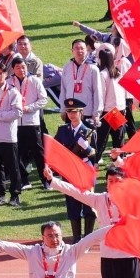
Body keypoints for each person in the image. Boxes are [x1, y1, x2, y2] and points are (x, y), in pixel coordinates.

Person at [53, 99, 98, 240]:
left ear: (81, 113)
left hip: (85, 170)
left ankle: (88, 238)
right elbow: (55, 149)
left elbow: (95, 157)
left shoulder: (89, 131)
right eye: (69, 111)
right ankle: (77, 238)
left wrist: (87, 147)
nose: (71, 114)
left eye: (74, 111)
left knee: (88, 205)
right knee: (72, 204)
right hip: (69, 171)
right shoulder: (62, 130)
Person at [10, 55, 48, 191]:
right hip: (14, 123)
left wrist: (30, 108)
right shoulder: (9, 82)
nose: (21, 70)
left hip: (32, 122)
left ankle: (46, 179)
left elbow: (44, 99)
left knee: (38, 152)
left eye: (24, 67)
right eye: (18, 68)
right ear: (13, 69)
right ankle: (24, 179)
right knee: (17, 153)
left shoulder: (34, 80)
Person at [0, 61, 23, 207]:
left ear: (5, 75)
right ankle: (0, 194)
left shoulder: (12, 91)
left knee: (12, 167)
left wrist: (0, 115)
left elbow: (18, 112)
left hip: (8, 137)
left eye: (0, 74)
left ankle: (15, 195)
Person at [60, 40, 103, 125]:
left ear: (86, 50)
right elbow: (63, 90)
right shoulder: (67, 67)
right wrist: (62, 109)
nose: (79, 51)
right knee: (70, 138)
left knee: (86, 137)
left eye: (82, 48)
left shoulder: (93, 68)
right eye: (76, 48)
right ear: (72, 51)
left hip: (86, 112)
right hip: (70, 111)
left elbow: (97, 92)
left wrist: (96, 113)